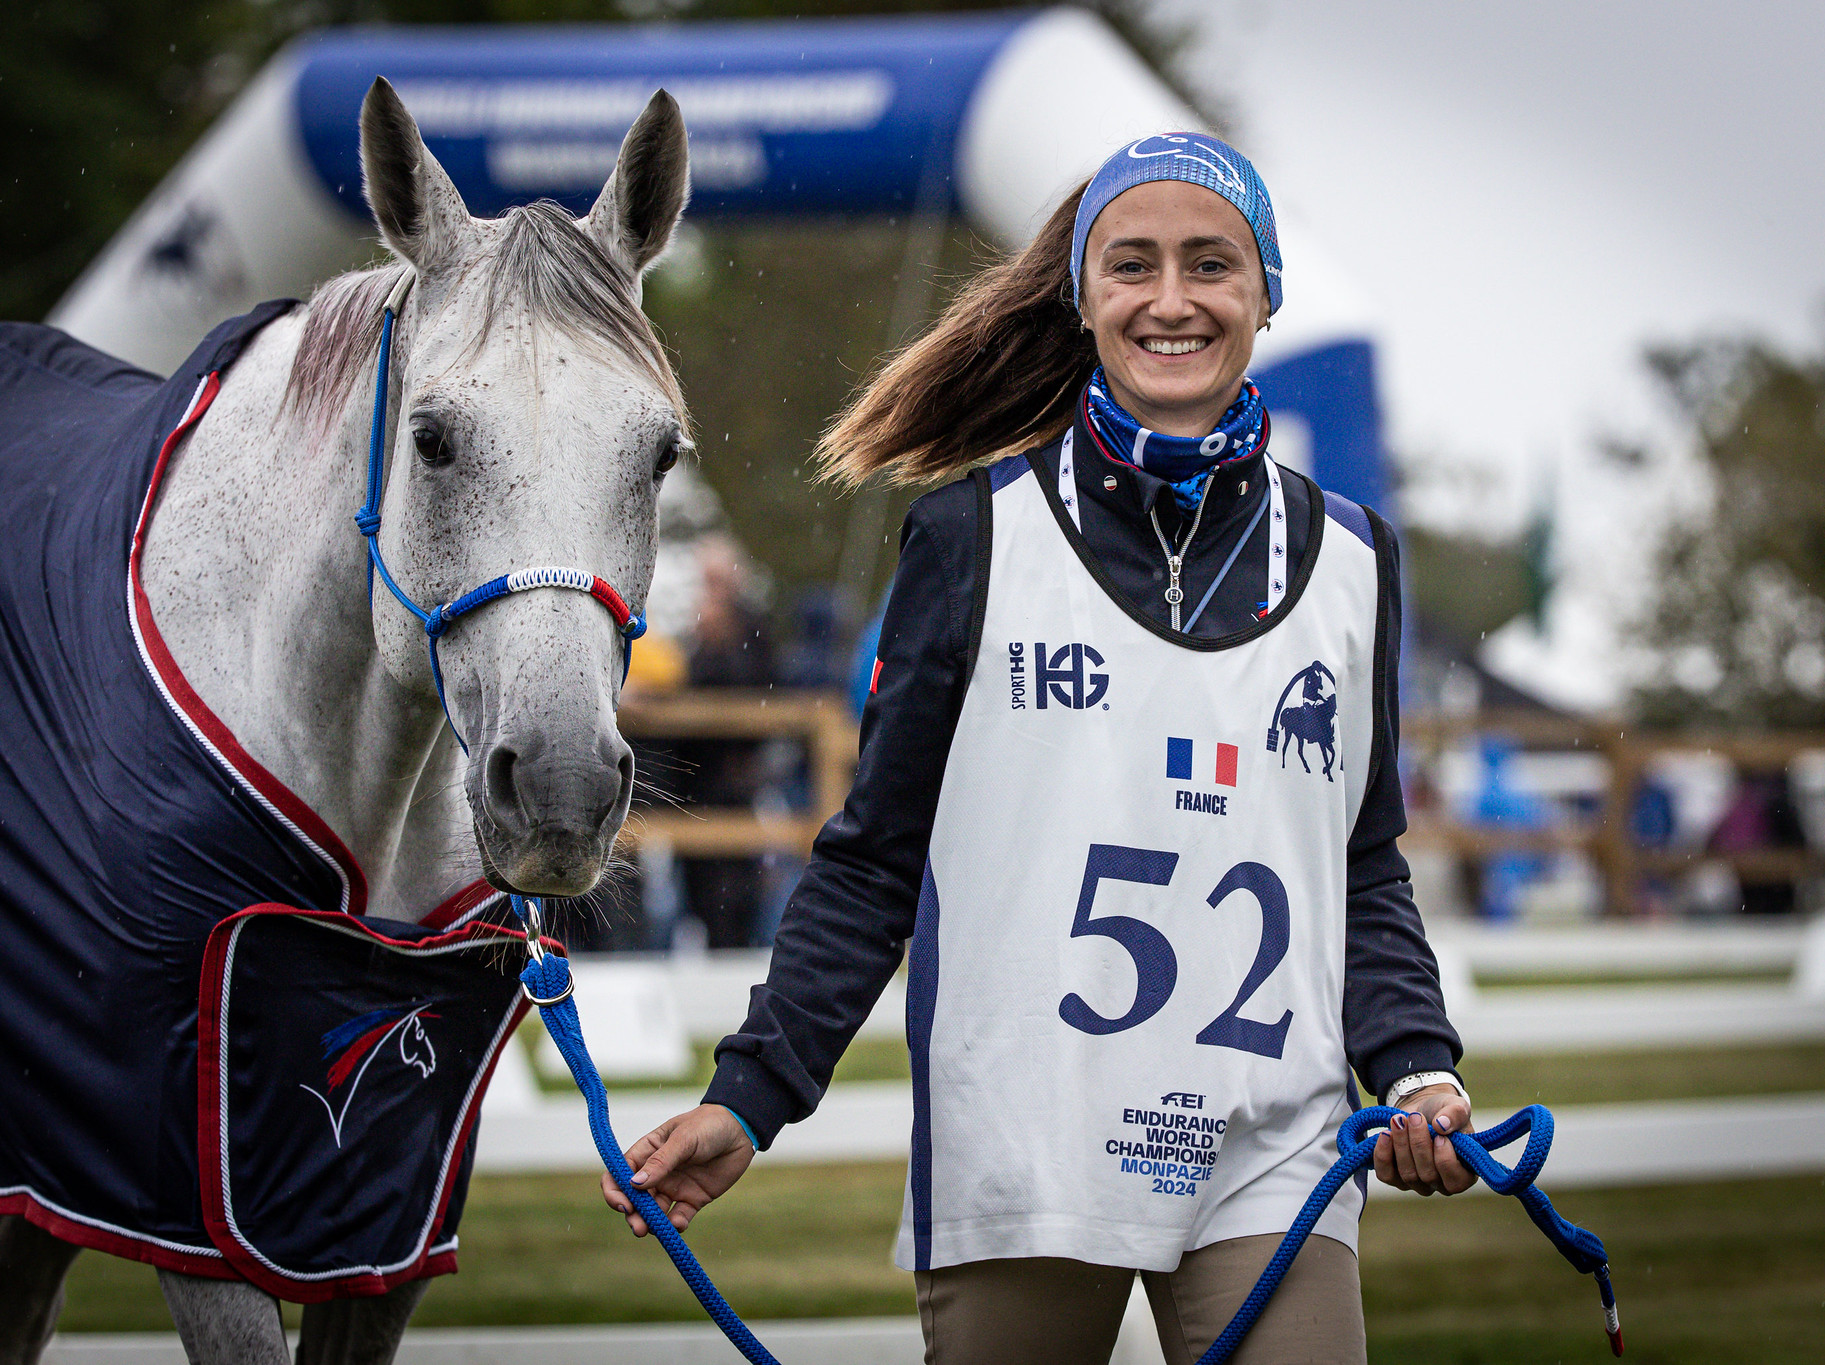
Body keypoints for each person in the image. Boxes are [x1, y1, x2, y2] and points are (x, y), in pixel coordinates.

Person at [606, 133, 1471, 1365]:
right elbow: (871, 862)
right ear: (1081, 296)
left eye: (1210, 266)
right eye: (1131, 266)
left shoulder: (1353, 558)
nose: (1170, 300)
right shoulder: (969, 538)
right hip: (1022, 1148)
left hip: (1270, 1151)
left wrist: (1419, 1071)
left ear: (1265, 292)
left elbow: (1361, 867)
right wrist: (751, 1094)